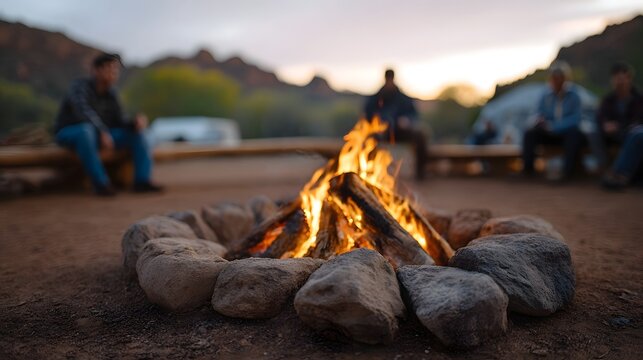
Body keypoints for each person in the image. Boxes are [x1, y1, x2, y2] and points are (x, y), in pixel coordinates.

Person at [54, 53, 162, 196]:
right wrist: (102, 131)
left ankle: (142, 181)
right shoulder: (79, 86)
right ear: (95, 70)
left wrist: (134, 123)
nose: (113, 73)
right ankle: (101, 184)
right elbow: (82, 111)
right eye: (108, 68)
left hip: (102, 136)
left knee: (139, 134)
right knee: (86, 131)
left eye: (115, 69)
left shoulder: (112, 93)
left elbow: (120, 120)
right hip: (71, 133)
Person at [521, 61, 584, 180]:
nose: (556, 81)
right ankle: (528, 171)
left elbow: (576, 119)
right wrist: (539, 120)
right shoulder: (545, 95)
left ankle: (567, 172)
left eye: (559, 78)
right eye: (554, 78)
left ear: (565, 79)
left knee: (574, 135)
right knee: (529, 134)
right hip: (548, 133)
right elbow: (538, 112)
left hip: (566, 134)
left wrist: (555, 127)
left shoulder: (574, 95)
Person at [364, 69, 429, 180]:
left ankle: (421, 172)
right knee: (368, 139)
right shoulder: (376, 98)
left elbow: (413, 114)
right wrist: (377, 124)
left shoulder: (403, 98)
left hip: (400, 132)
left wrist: (407, 120)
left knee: (421, 135)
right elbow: (367, 114)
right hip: (382, 133)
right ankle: (368, 173)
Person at [594, 62, 643, 168]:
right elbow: (600, 116)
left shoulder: (639, 98)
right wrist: (605, 124)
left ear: (629, 79)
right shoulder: (608, 99)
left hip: (630, 132)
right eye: (616, 79)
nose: (620, 82)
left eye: (622, 79)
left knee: (635, 134)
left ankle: (620, 170)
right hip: (612, 133)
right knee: (594, 132)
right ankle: (603, 166)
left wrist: (619, 126)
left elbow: (638, 120)